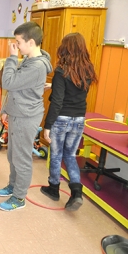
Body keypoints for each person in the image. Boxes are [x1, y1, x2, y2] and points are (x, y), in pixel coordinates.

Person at [0, 21, 52, 211]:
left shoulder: (36, 66)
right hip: (18, 112)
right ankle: (13, 185)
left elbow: (9, 83)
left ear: (30, 42)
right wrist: (6, 109)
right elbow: (18, 89)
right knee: (13, 155)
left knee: (21, 158)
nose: (16, 46)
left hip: (26, 116)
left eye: (18, 42)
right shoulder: (31, 60)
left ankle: (19, 197)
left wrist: (12, 58)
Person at [40, 33, 97, 211]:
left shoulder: (61, 71)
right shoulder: (87, 70)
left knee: (56, 155)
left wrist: (47, 125)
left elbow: (57, 102)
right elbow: (75, 90)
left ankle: (54, 189)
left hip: (62, 119)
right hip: (79, 119)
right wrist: (54, 85)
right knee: (70, 155)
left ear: (65, 49)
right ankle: (76, 193)